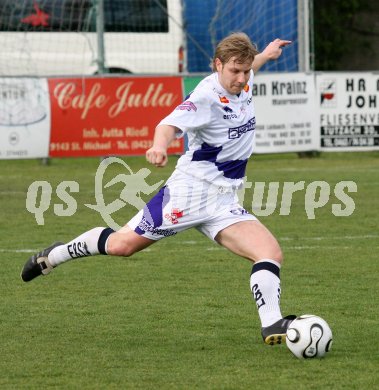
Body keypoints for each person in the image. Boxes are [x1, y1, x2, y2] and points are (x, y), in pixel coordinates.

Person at [21, 32, 295, 345]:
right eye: (235, 70)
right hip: (188, 194)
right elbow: (167, 125)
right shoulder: (205, 96)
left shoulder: (242, 80)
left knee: (269, 253)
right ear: (218, 65)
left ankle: (272, 324)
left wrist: (268, 54)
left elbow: (249, 65)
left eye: (247, 71)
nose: (242, 77)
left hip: (223, 200)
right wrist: (158, 146)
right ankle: (54, 256)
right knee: (122, 246)